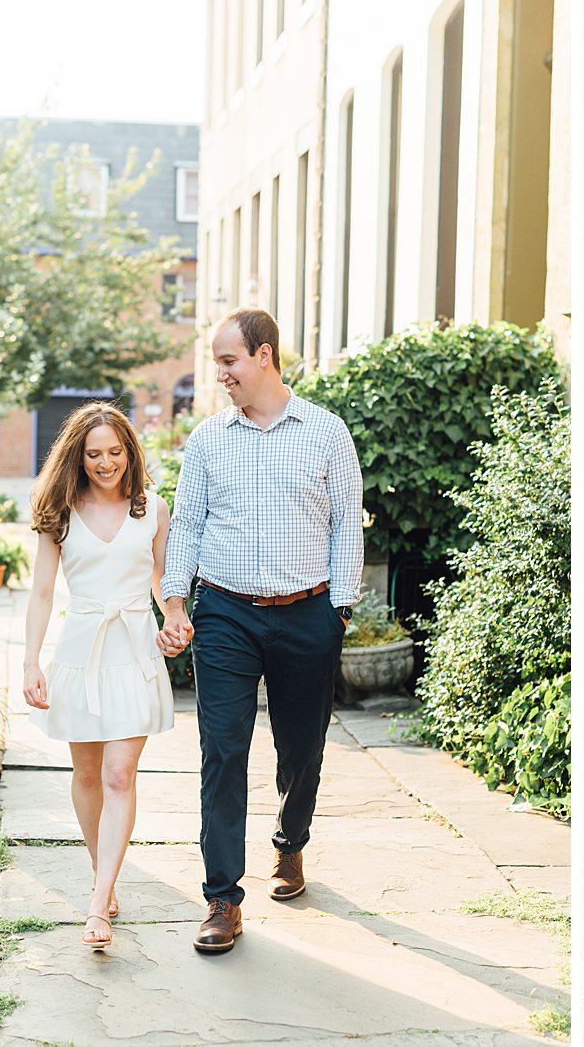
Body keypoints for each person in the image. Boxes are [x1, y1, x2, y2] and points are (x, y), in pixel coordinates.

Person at [157, 306, 363, 954]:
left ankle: (290, 844)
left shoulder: (327, 433)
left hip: (308, 614)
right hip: (226, 615)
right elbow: (186, 525)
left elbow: (345, 525)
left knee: (301, 750)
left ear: (265, 356)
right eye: (218, 362)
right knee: (222, 751)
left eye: (228, 361)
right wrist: (174, 602)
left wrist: (340, 612)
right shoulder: (209, 440)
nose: (219, 374)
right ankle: (222, 898)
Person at [23, 402, 176, 951]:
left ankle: (97, 903)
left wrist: (176, 619)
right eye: (94, 454)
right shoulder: (59, 511)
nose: (105, 463)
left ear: (129, 453)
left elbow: (162, 580)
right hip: (80, 652)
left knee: (118, 775)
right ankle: (103, 873)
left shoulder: (153, 509)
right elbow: (42, 592)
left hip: (134, 651)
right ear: (78, 457)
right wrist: (30, 661)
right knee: (87, 776)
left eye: (115, 452)